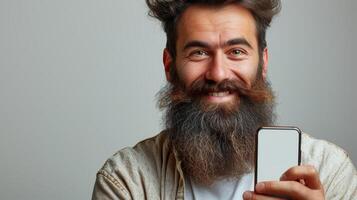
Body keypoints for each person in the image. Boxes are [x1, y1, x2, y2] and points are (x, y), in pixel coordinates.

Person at [92, 0, 357, 199]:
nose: (218, 73)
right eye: (198, 53)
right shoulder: (126, 181)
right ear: (169, 65)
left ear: (262, 63)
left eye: (236, 51)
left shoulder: (329, 172)